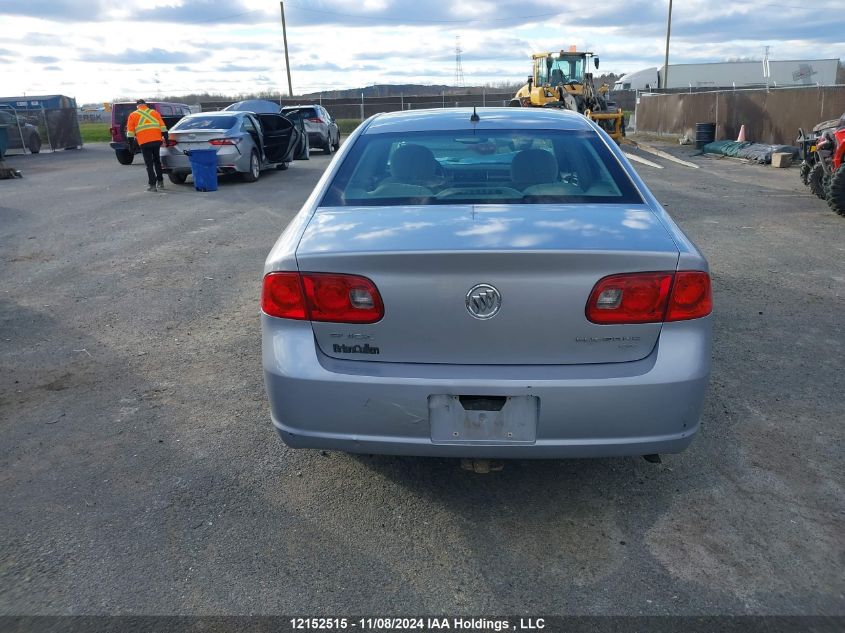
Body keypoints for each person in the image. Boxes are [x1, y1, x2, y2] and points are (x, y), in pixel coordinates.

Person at [126, 99, 168, 191]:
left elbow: (130, 132)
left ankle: (152, 185)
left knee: (149, 164)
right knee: (157, 162)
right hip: (157, 140)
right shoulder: (154, 112)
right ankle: (161, 182)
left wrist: (130, 144)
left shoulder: (133, 115)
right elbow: (163, 126)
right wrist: (166, 137)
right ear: (145, 105)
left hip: (144, 142)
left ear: (137, 106)